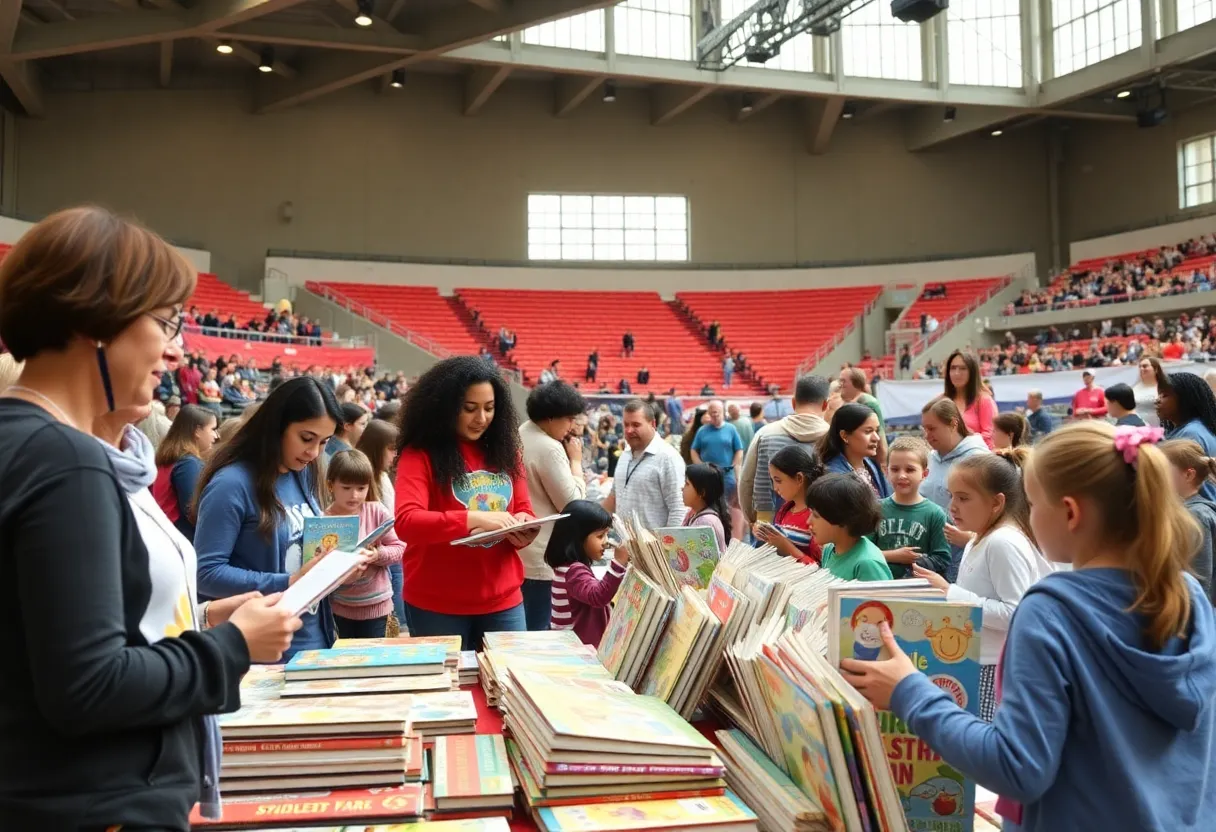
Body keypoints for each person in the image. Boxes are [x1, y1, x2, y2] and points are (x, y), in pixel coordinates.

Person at [0, 205, 299, 829]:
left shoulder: (27, 444)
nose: (174, 347)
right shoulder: (68, 463)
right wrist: (233, 645)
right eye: (165, 322)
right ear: (98, 321)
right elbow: (89, 686)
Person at [840, 421, 1216, 832]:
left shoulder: (1050, 612)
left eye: (1033, 505)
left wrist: (909, 691)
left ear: (1070, 512)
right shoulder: (1187, 594)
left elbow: (1017, 767)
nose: (1028, 517)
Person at [195, 376, 355, 659]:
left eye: (324, 442)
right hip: (263, 648)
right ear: (277, 426)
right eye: (306, 438)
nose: (314, 452)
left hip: (315, 635)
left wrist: (338, 566)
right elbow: (206, 573)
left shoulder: (303, 471)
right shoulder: (231, 484)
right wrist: (287, 580)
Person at [393, 356, 538, 650]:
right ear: (445, 407)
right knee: (447, 692)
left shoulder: (507, 452)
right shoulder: (419, 454)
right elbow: (407, 522)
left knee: (507, 687)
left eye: (489, 408)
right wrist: (475, 519)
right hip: (437, 604)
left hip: (504, 599)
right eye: (469, 408)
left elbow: (523, 510)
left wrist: (525, 528)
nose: (481, 418)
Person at [913, 450, 1054, 720]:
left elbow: (1016, 613)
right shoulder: (980, 538)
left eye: (963, 498)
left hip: (994, 667)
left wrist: (949, 592)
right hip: (976, 661)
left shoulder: (1003, 542)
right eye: (951, 495)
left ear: (996, 502)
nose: (952, 506)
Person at [519, 381, 588, 632]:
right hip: (541, 555)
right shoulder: (549, 448)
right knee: (537, 632)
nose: (571, 426)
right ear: (550, 418)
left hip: (519, 551)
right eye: (568, 419)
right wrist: (576, 463)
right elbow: (573, 503)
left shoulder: (521, 432)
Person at [324, 450, 406, 639]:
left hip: (377, 605)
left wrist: (377, 555)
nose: (354, 495)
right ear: (331, 485)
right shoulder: (324, 519)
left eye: (361, 488)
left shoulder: (376, 511)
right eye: (346, 488)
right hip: (340, 607)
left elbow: (399, 547)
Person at [739, 375, 830, 525]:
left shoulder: (765, 433)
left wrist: (752, 519)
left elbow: (747, 480)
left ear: (793, 402)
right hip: (820, 526)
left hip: (768, 524)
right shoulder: (833, 438)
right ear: (826, 404)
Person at [920, 398, 991, 581]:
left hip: (965, 555)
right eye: (924, 429)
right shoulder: (930, 458)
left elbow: (993, 510)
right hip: (931, 553)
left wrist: (970, 538)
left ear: (953, 423)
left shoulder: (978, 459)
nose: (927, 435)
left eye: (932, 428)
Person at [546, 500, 630, 645]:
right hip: (576, 649)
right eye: (600, 536)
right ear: (578, 538)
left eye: (606, 535)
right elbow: (598, 596)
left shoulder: (567, 568)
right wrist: (618, 563)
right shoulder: (574, 571)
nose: (606, 542)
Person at [872, 436, 950, 578]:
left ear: (924, 474)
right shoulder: (875, 509)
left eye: (910, 470)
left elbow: (942, 559)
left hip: (918, 592)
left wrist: (916, 562)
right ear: (886, 471)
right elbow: (864, 552)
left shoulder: (935, 514)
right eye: (895, 469)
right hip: (879, 586)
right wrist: (894, 556)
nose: (902, 475)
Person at [604, 399, 687, 529]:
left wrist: (666, 547)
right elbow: (614, 497)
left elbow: (679, 510)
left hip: (654, 547)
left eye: (636, 425)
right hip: (624, 546)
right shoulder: (625, 454)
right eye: (626, 425)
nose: (629, 430)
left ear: (652, 424)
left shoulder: (668, 458)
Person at [356, 418, 406, 630]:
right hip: (376, 557)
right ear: (377, 449)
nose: (394, 455)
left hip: (391, 550)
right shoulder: (365, 483)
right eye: (391, 449)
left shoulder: (383, 477)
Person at [806, 473, 893, 581]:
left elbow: (881, 597)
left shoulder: (867, 564)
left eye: (816, 516)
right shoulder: (829, 549)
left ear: (841, 519)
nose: (808, 521)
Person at [1160, 438, 1216, 603]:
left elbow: (1200, 580)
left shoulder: (1195, 516)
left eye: (1163, 470)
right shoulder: (1184, 510)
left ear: (1188, 474)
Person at [152, 403, 219, 540]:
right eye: (212, 429)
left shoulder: (172, 457)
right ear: (197, 431)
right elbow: (193, 511)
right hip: (179, 537)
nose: (216, 435)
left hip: (164, 532)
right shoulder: (188, 463)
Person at [754, 444, 823, 564]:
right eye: (772, 481)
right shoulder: (785, 510)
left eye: (778, 481)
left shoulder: (817, 517)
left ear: (799, 478)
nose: (775, 488)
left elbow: (820, 568)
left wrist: (786, 547)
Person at [1157, 366, 1216, 502]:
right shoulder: (1192, 427)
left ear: (1185, 399)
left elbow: (1186, 487)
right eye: (1159, 394)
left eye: (1165, 395)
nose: (1158, 400)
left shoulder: (1190, 434)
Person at [818, 402, 892, 498]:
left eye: (876, 431)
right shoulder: (833, 478)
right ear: (844, 435)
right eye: (868, 431)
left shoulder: (872, 465)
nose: (876, 438)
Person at [944, 350, 997, 448]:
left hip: (978, 459)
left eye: (963, 368)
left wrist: (961, 444)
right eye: (953, 368)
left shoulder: (984, 400)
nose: (957, 373)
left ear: (972, 372)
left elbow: (989, 437)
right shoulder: (942, 400)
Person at [691, 400, 743, 499]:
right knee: (709, 503)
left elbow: (739, 449)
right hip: (708, 476)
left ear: (723, 412)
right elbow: (693, 450)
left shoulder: (731, 429)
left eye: (717, 413)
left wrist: (734, 464)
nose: (714, 415)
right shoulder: (702, 430)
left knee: (727, 506)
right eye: (712, 413)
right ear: (709, 413)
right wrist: (700, 465)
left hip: (726, 475)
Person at [839, 367, 888, 463]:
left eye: (844, 381)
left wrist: (882, 465)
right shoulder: (850, 402)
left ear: (856, 383)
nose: (841, 385)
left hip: (870, 461)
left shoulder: (868, 402)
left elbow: (879, 436)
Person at [682, 462, 730, 552]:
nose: (682, 488)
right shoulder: (692, 514)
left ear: (701, 493)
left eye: (687, 484)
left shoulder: (705, 522)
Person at [1133, 357, 1162, 427]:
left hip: (1159, 427)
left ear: (1156, 369)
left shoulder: (1164, 387)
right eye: (1140, 367)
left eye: (1145, 366)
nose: (1141, 369)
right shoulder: (1135, 388)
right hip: (1139, 427)